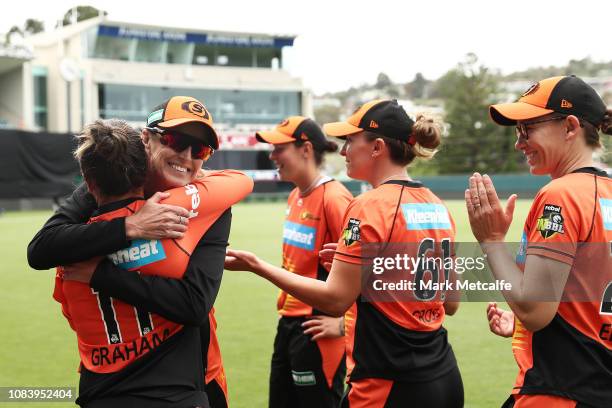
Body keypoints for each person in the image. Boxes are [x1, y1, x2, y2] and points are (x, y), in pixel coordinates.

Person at [226, 100, 464, 408]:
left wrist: (257, 266)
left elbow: (335, 299)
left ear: (377, 147)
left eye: (350, 141)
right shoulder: (436, 204)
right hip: (444, 376)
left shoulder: (368, 205)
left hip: (388, 383)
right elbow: (452, 302)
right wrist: (364, 266)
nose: (342, 152)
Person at [28, 97, 253, 407]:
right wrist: (130, 226)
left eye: (200, 150)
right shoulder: (107, 182)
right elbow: (40, 249)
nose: (187, 157)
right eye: (176, 140)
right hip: (117, 374)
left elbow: (195, 302)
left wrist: (99, 273)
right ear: (146, 139)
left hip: (195, 371)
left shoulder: (209, 204)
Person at [467, 75, 612, 407]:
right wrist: (521, 324)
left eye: (527, 129)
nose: (519, 142)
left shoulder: (561, 194)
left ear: (570, 127)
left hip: (561, 391)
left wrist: (490, 240)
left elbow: (535, 309)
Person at [254, 116, 353, 407]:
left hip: (317, 328)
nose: (272, 156)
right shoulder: (295, 195)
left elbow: (366, 269)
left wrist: (343, 326)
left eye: (279, 148)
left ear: (305, 149)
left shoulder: (335, 199)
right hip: (288, 323)